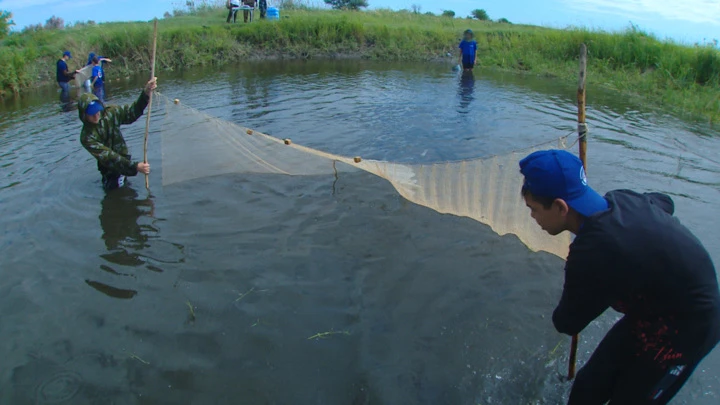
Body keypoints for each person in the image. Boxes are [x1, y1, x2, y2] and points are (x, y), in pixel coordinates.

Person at [519, 149, 720, 404]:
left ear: (560, 206)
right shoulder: (621, 200)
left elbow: (567, 323)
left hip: (690, 327)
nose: (533, 217)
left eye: (534, 209)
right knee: (587, 387)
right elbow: (665, 202)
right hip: (650, 312)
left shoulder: (594, 252)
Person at [79, 78, 156, 190]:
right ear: (84, 116)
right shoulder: (87, 137)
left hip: (124, 162)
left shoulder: (110, 113)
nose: (96, 116)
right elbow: (108, 156)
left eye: (97, 111)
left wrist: (146, 93)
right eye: (91, 114)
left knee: (127, 194)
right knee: (114, 192)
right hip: (110, 170)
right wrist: (135, 167)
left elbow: (131, 113)